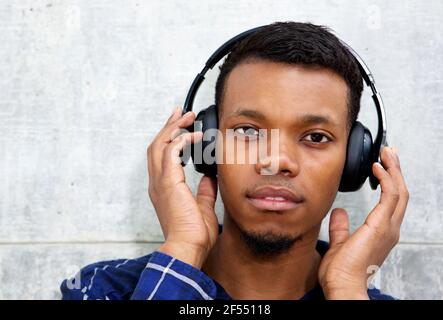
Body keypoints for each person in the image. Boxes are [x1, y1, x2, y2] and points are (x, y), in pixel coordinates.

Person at [61, 21, 409, 300]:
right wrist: (183, 249)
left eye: (315, 137)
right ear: (204, 143)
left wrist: (347, 289)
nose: (276, 161)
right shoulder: (103, 290)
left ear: (356, 160)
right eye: (248, 131)